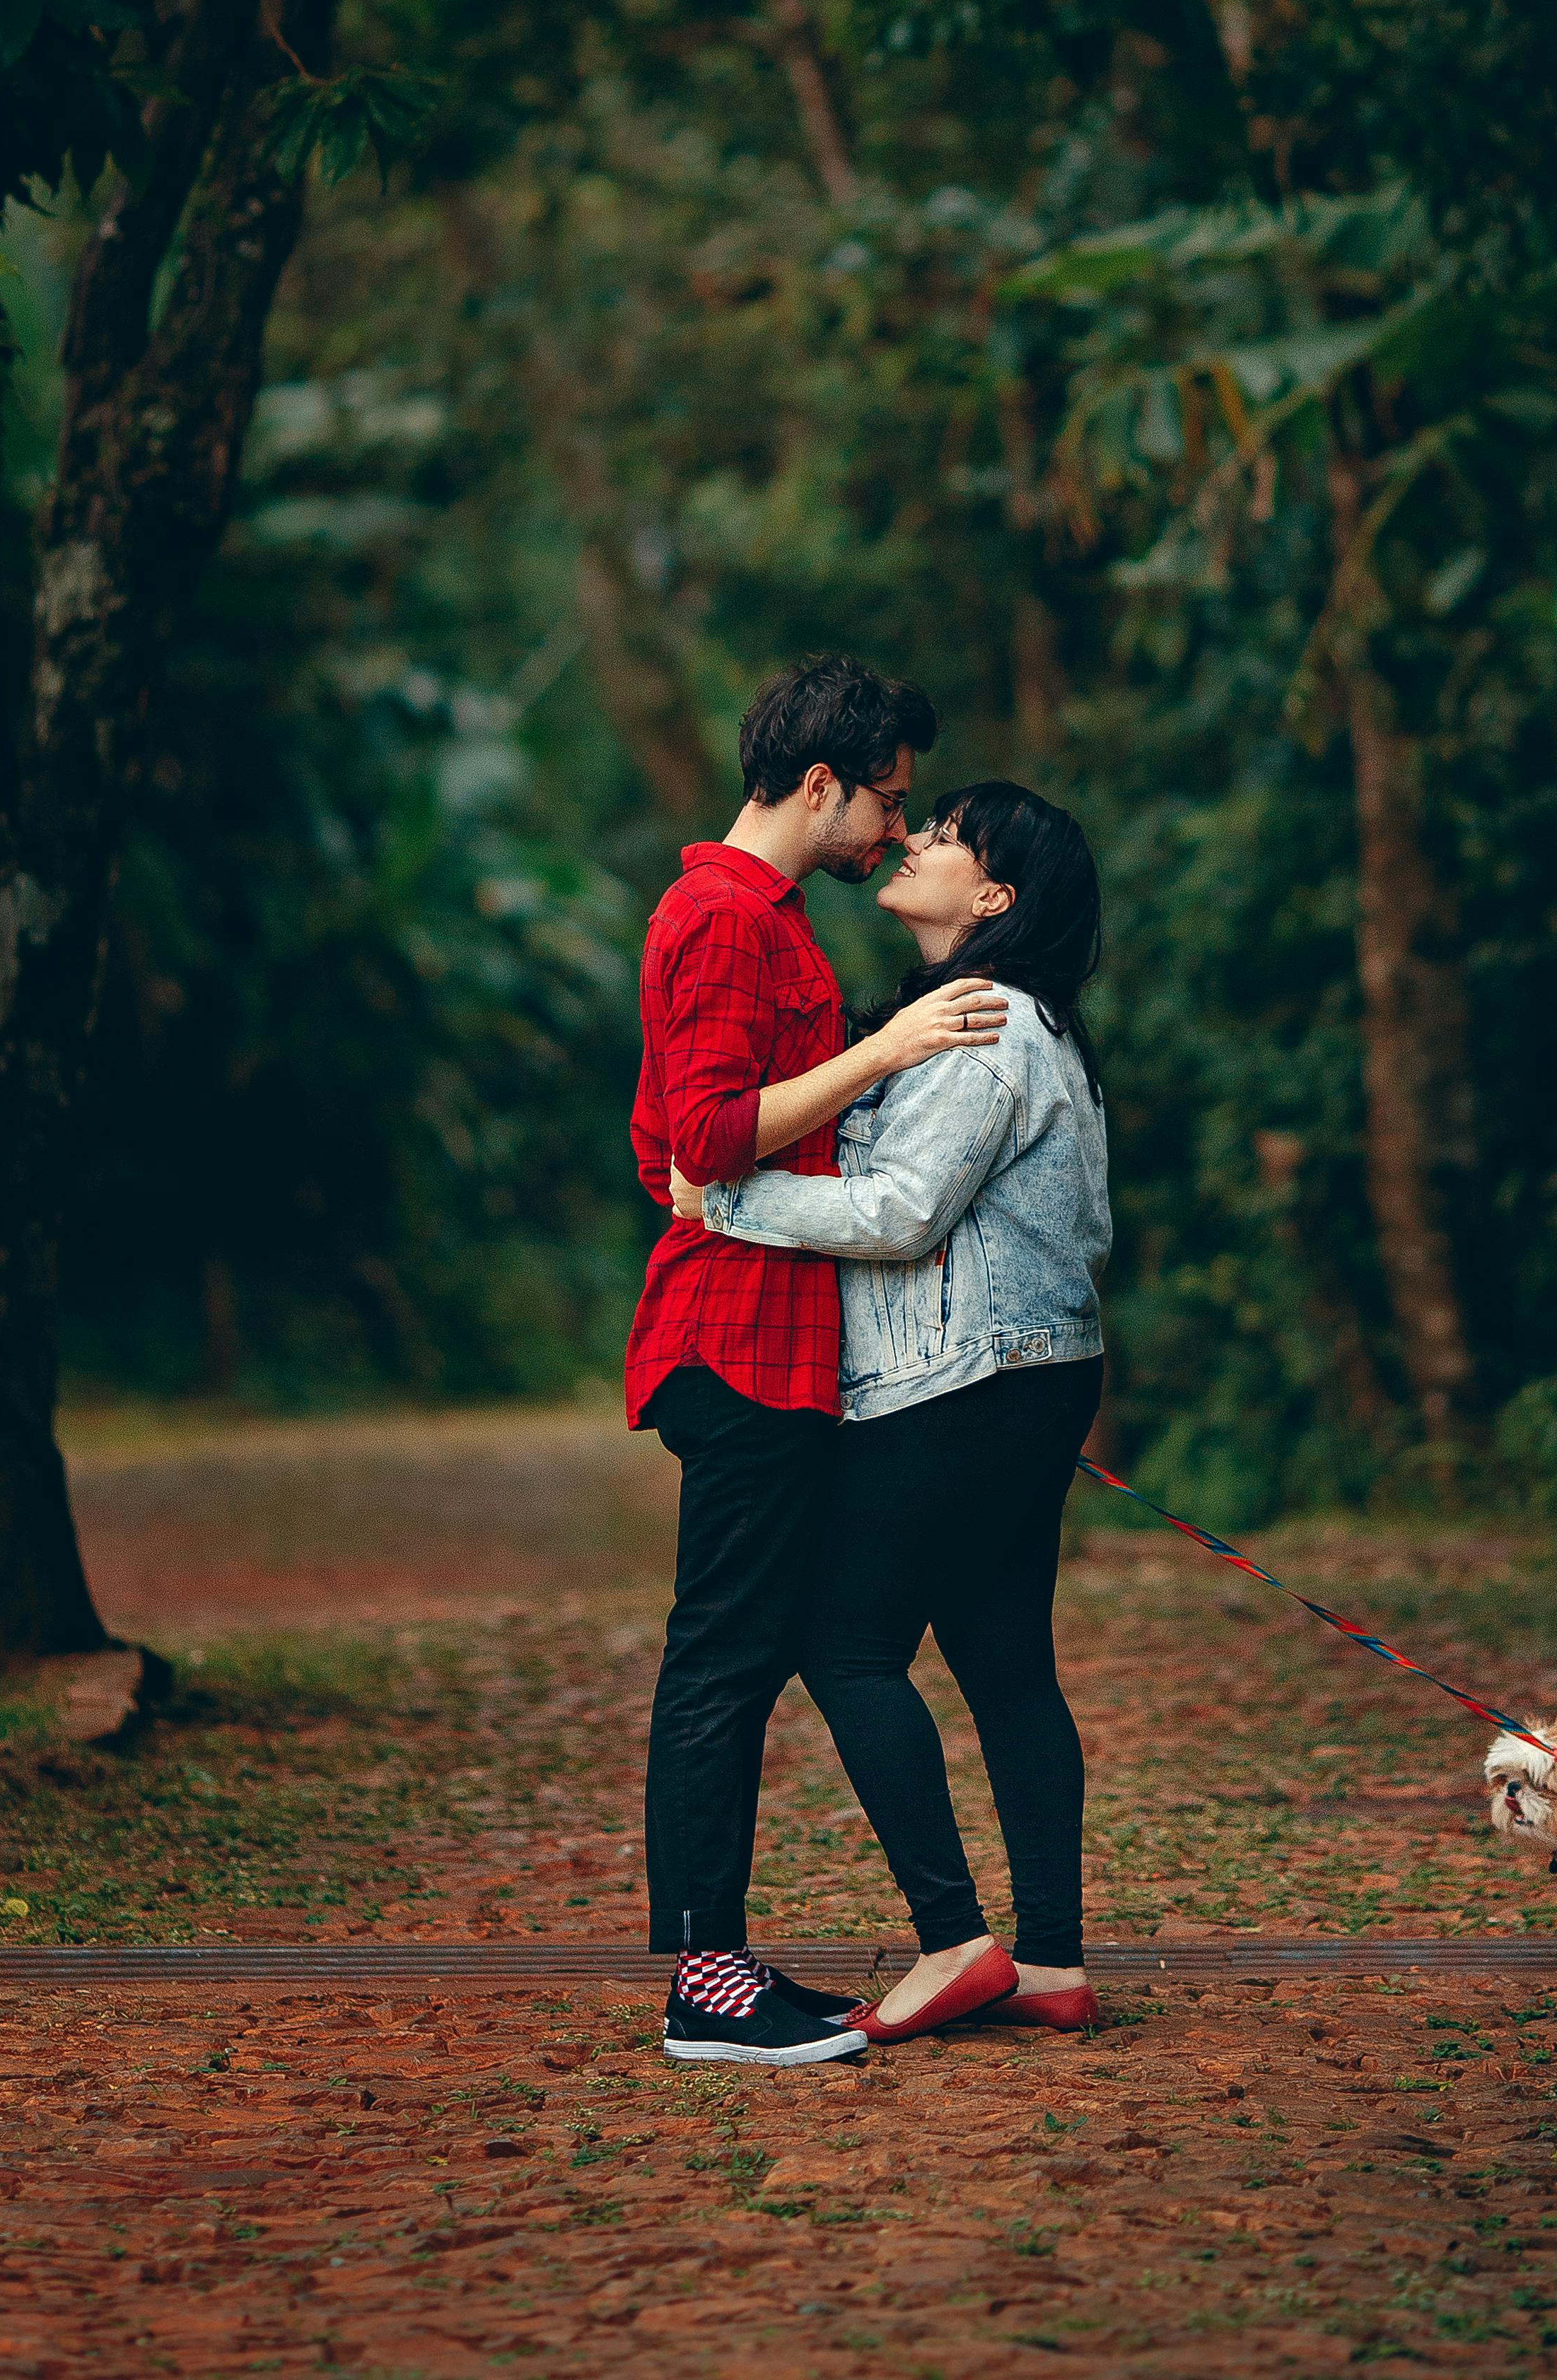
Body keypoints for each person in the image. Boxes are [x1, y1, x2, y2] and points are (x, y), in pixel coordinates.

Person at [672, 779, 1109, 2044]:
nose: (909, 840)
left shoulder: (982, 1022)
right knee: (1001, 1659)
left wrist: (722, 1203)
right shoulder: (1010, 1023)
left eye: (942, 833)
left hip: (957, 1386)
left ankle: (955, 1943)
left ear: (993, 899)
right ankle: (1052, 1965)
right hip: (1019, 1377)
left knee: (843, 1644)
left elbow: (898, 1213)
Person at [628, 654, 1014, 2068]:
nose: (892, 832)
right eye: (886, 803)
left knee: (749, 1646)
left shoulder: (748, 914)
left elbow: (658, 1138)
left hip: (769, 1341)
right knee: (722, 1656)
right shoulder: (727, 920)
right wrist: (891, 1044)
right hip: (735, 1340)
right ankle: (703, 1981)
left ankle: (725, 1962)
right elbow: (710, 1139)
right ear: (818, 783)